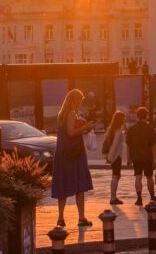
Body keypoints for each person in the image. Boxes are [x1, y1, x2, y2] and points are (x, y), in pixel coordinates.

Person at [52, 88, 94, 228]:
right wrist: (85, 127)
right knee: (79, 185)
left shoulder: (62, 114)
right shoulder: (70, 113)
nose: (79, 104)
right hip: (73, 154)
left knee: (63, 185)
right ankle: (81, 218)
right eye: (78, 101)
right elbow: (71, 132)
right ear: (73, 100)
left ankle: (60, 218)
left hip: (63, 154)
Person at [125, 106, 156, 205]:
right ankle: (152, 196)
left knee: (138, 177)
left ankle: (139, 198)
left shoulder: (131, 129)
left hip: (136, 157)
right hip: (147, 157)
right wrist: (154, 159)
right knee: (149, 177)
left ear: (137, 116)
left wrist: (128, 158)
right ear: (146, 115)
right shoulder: (150, 129)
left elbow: (128, 146)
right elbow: (153, 146)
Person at [102, 111, 127, 205]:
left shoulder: (110, 128)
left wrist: (107, 156)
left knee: (116, 175)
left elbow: (107, 143)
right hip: (116, 156)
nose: (124, 120)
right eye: (123, 118)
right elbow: (115, 145)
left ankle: (113, 196)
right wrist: (110, 157)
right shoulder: (118, 131)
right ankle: (113, 198)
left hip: (113, 156)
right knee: (116, 176)